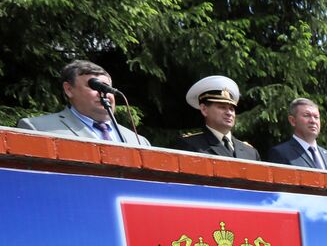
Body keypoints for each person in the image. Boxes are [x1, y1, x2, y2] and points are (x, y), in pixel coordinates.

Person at [17, 60, 149, 146]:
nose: (103, 93)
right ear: (69, 89)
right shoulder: (37, 129)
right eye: (94, 86)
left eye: (106, 87)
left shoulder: (139, 141)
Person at [175, 76, 260, 160]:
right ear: (204, 109)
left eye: (231, 109)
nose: (229, 113)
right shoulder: (191, 144)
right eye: (222, 107)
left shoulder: (250, 152)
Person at [266, 98, 327, 170]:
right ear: (293, 121)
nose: (313, 121)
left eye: (316, 117)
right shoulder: (281, 153)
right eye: (307, 115)